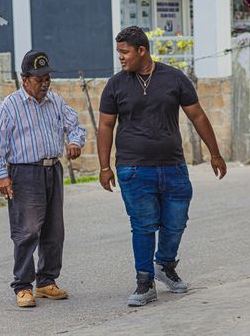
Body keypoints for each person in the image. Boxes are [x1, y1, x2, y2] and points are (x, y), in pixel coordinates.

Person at [97, 26, 227, 307]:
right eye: (119, 52)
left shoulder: (174, 78)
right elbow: (105, 125)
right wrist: (104, 166)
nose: (120, 57)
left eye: (124, 52)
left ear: (141, 50)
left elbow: (198, 116)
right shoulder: (116, 85)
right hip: (133, 168)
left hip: (173, 166)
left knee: (176, 222)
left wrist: (215, 154)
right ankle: (144, 283)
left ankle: (165, 265)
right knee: (143, 225)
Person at [0, 50, 86, 307]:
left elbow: (76, 125)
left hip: (52, 169)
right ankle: (22, 286)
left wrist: (75, 141)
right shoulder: (10, 106)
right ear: (25, 79)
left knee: (54, 230)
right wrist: (2, 176)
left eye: (47, 78)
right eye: (38, 78)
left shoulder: (55, 101)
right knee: (27, 231)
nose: (44, 83)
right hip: (24, 172)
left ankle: (46, 282)